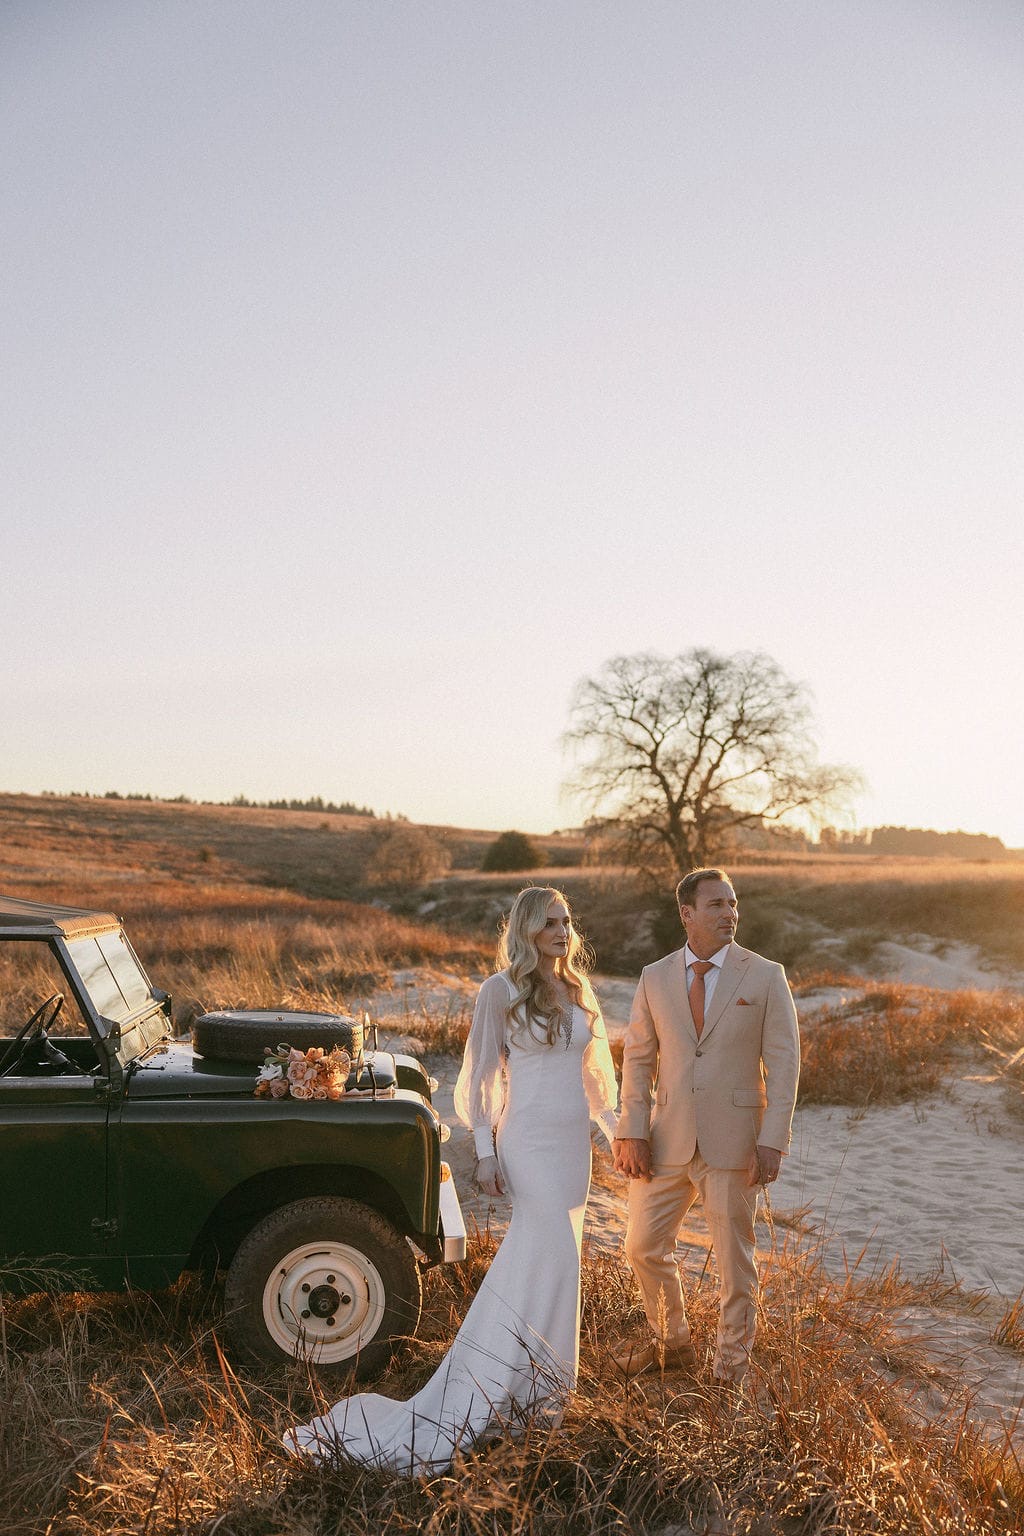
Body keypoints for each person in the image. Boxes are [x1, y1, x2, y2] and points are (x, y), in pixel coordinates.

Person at [284, 886, 619, 1473]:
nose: (563, 931)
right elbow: (483, 1075)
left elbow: (596, 1081)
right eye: (550, 922)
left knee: (557, 1259)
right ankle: (502, 1385)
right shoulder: (501, 990)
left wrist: (619, 1136)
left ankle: (539, 1391)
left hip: (572, 1148)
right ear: (526, 929)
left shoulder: (579, 989)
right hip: (529, 1142)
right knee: (552, 1252)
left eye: (567, 921)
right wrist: (486, 1152)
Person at [611, 867, 800, 1388]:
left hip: (736, 1144)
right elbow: (639, 1059)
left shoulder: (764, 975)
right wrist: (632, 1129)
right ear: (687, 914)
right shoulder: (654, 976)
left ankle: (730, 1370)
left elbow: (785, 1065)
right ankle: (672, 1346)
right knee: (642, 1246)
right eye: (716, 904)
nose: (730, 913)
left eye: (734, 903)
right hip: (667, 1137)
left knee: (735, 1267)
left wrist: (771, 1140)